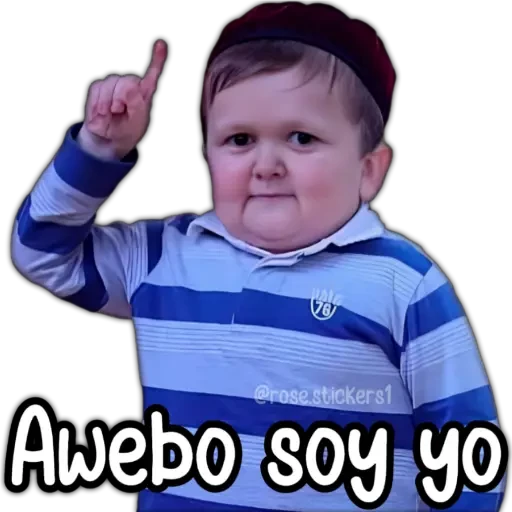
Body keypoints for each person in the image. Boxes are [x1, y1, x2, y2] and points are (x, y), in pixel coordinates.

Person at [11, 3, 505, 511]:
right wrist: (97, 148)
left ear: (369, 170)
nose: (266, 165)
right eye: (240, 140)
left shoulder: (403, 282)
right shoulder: (161, 258)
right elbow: (43, 252)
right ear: (208, 157)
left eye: (301, 138)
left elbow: (468, 459)